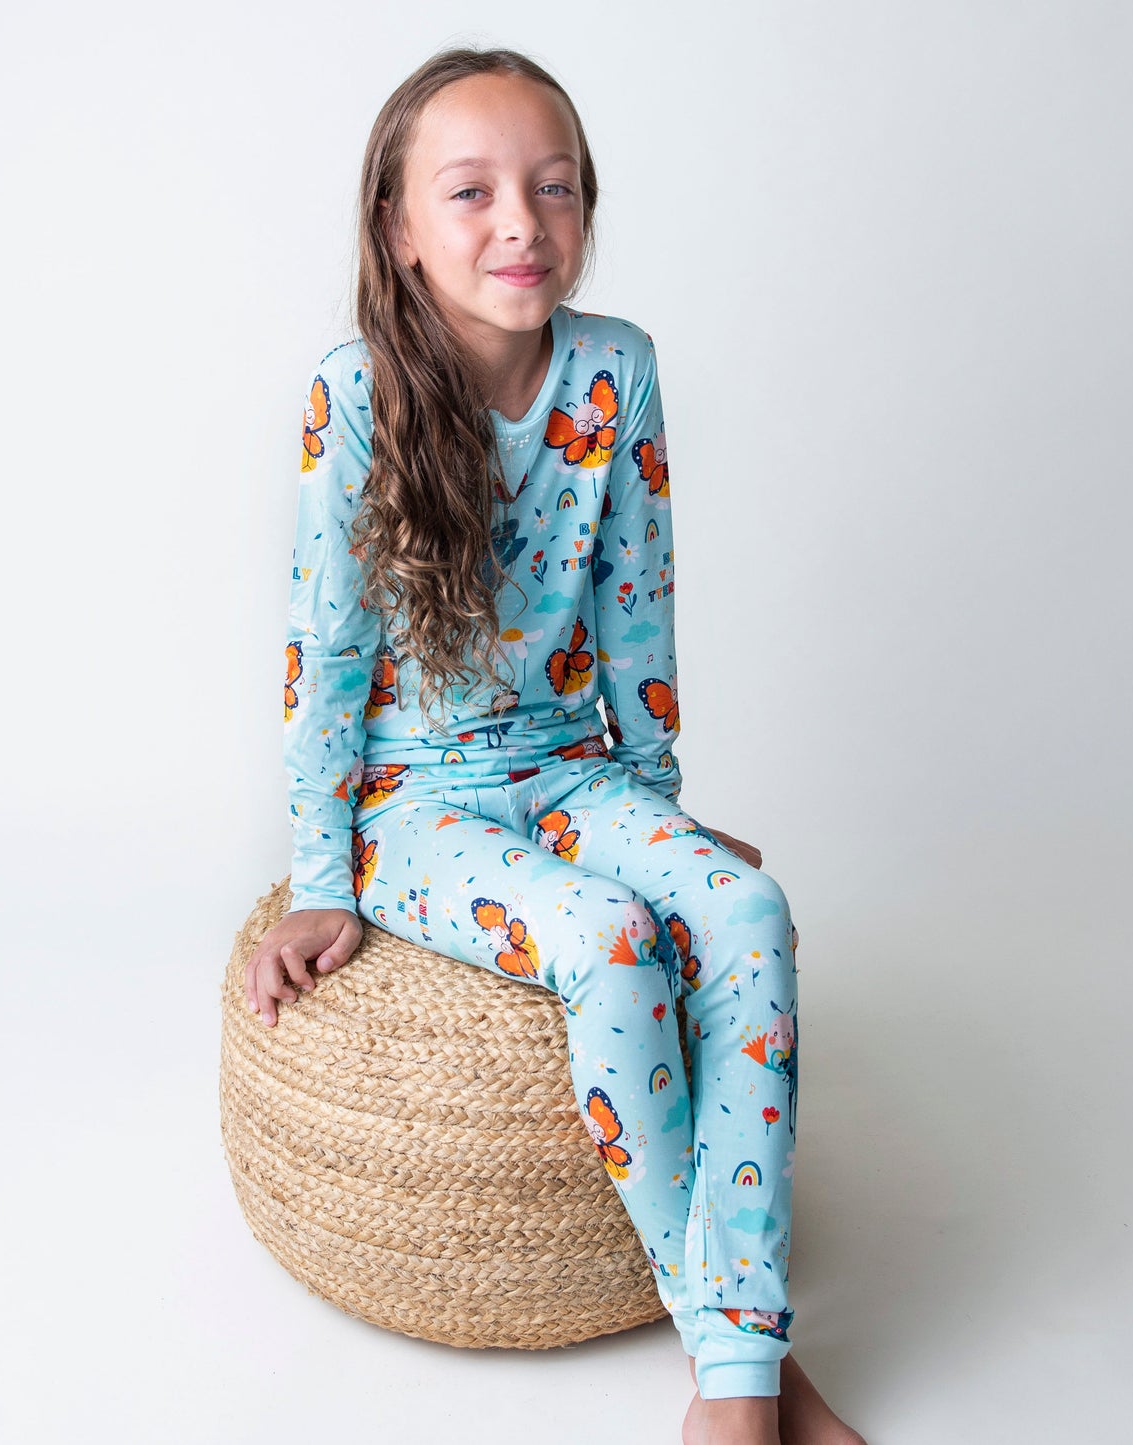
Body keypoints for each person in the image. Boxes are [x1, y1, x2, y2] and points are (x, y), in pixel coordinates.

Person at [245, 45, 865, 1445]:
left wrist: (664, 812)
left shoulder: (616, 368)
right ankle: (751, 1368)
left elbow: (636, 610)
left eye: (553, 186)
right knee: (607, 940)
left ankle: (733, 1370)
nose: (520, 221)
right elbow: (323, 656)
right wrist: (321, 878)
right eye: (470, 193)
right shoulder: (352, 400)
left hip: (570, 768)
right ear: (399, 232)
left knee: (747, 909)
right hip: (413, 800)